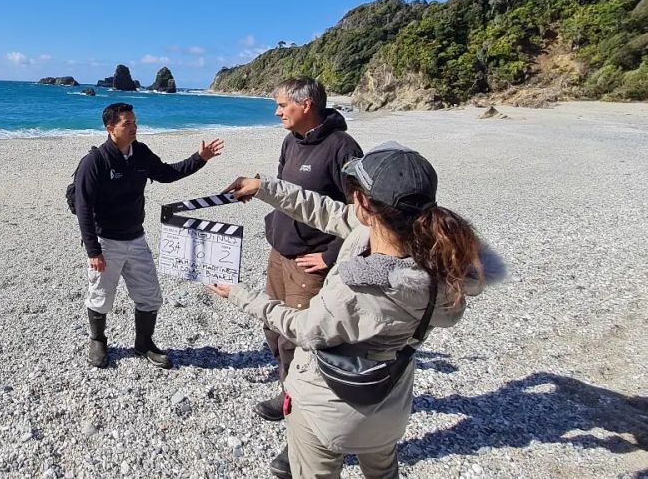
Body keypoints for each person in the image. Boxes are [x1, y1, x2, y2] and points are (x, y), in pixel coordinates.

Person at [211, 142, 503, 478]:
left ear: (363, 203)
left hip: (328, 410)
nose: (349, 200)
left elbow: (304, 329)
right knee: (382, 469)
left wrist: (240, 296)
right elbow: (323, 210)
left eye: (354, 193)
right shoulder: (435, 262)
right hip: (389, 404)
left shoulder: (356, 288)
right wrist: (265, 187)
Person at [74, 101, 224, 369]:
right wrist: (93, 251)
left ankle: (144, 344)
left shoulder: (140, 153)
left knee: (150, 296)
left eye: (134, 122)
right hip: (106, 241)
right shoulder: (94, 161)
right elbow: (83, 208)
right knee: (100, 295)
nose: (134, 127)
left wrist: (200, 158)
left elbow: (167, 173)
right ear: (110, 128)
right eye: (126, 124)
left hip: (136, 238)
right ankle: (97, 340)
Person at [256, 77, 362, 421]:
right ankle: (289, 389)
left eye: (282, 105)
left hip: (310, 261)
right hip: (280, 252)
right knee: (272, 325)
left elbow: (362, 214)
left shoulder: (343, 147)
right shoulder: (290, 142)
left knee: (301, 338)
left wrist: (330, 255)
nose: (276, 112)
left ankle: (301, 408)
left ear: (306, 106)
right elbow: (283, 190)